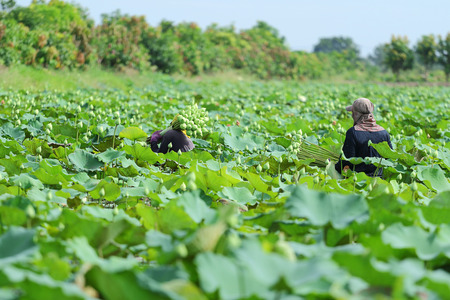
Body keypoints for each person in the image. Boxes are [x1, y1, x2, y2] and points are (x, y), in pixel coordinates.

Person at [335, 97, 392, 177]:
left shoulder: (353, 133)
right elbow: (389, 157)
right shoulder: (384, 132)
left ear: (356, 114)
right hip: (378, 180)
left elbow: (346, 160)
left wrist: (333, 166)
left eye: (353, 112)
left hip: (357, 180)